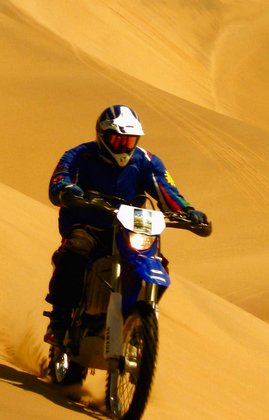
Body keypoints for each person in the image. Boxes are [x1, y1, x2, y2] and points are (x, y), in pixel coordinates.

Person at [45, 104, 208, 346]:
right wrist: (67, 191)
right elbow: (60, 181)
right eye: (118, 140)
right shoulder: (79, 156)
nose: (125, 147)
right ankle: (59, 320)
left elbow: (166, 190)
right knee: (75, 251)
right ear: (102, 136)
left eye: (130, 141)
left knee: (159, 263)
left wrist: (188, 211)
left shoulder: (146, 161)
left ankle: (137, 320)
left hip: (129, 229)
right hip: (89, 226)